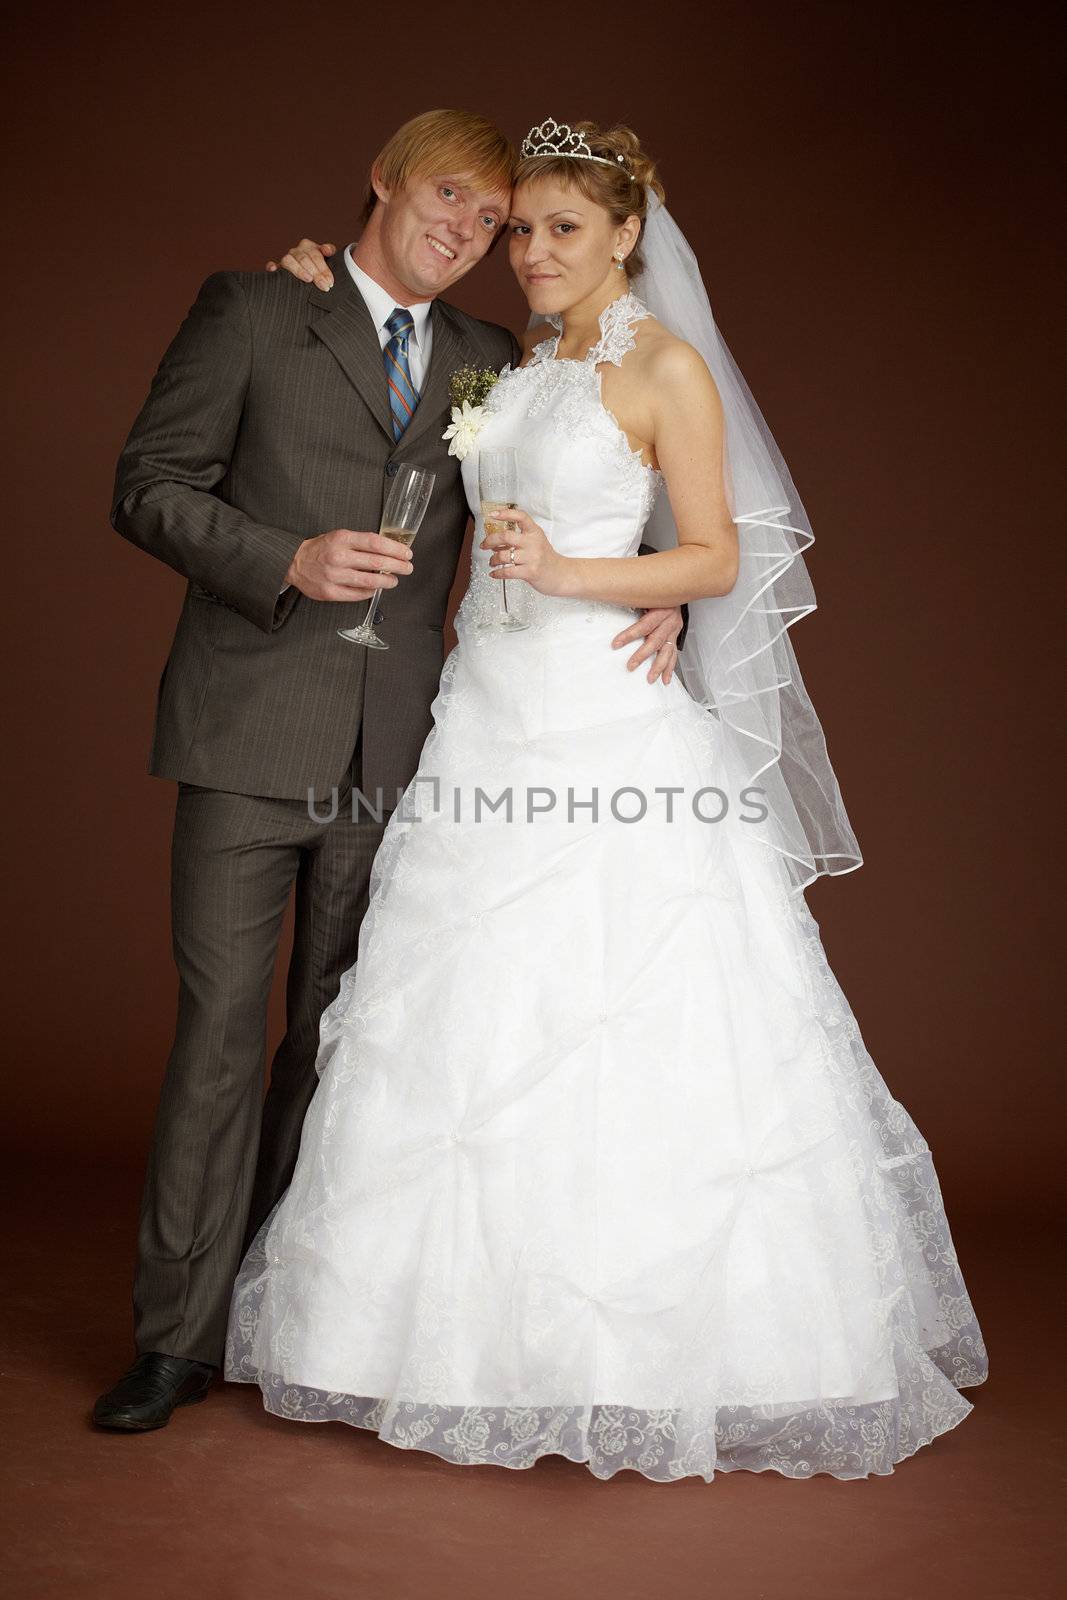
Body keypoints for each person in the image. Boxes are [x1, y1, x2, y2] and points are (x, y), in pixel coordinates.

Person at [224, 118, 988, 1483]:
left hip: (602, 722)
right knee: (468, 1010)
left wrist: (578, 582)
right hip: (488, 717)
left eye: (564, 228)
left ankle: (663, 1354)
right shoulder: (515, 365)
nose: (532, 253)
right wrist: (306, 273)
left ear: (630, 234)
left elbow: (706, 553)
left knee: (625, 1007)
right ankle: (453, 1345)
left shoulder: (664, 367)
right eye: (521, 229)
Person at [93, 107, 687, 1434]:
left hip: (410, 754)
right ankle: (175, 1341)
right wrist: (282, 558)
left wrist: (671, 595)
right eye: (447, 200)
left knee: (339, 1046)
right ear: (381, 180)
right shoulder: (255, 309)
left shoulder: (485, 360)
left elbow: (540, 498)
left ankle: (272, 1305)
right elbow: (148, 485)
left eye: (491, 220)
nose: (467, 233)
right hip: (249, 736)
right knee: (217, 1047)